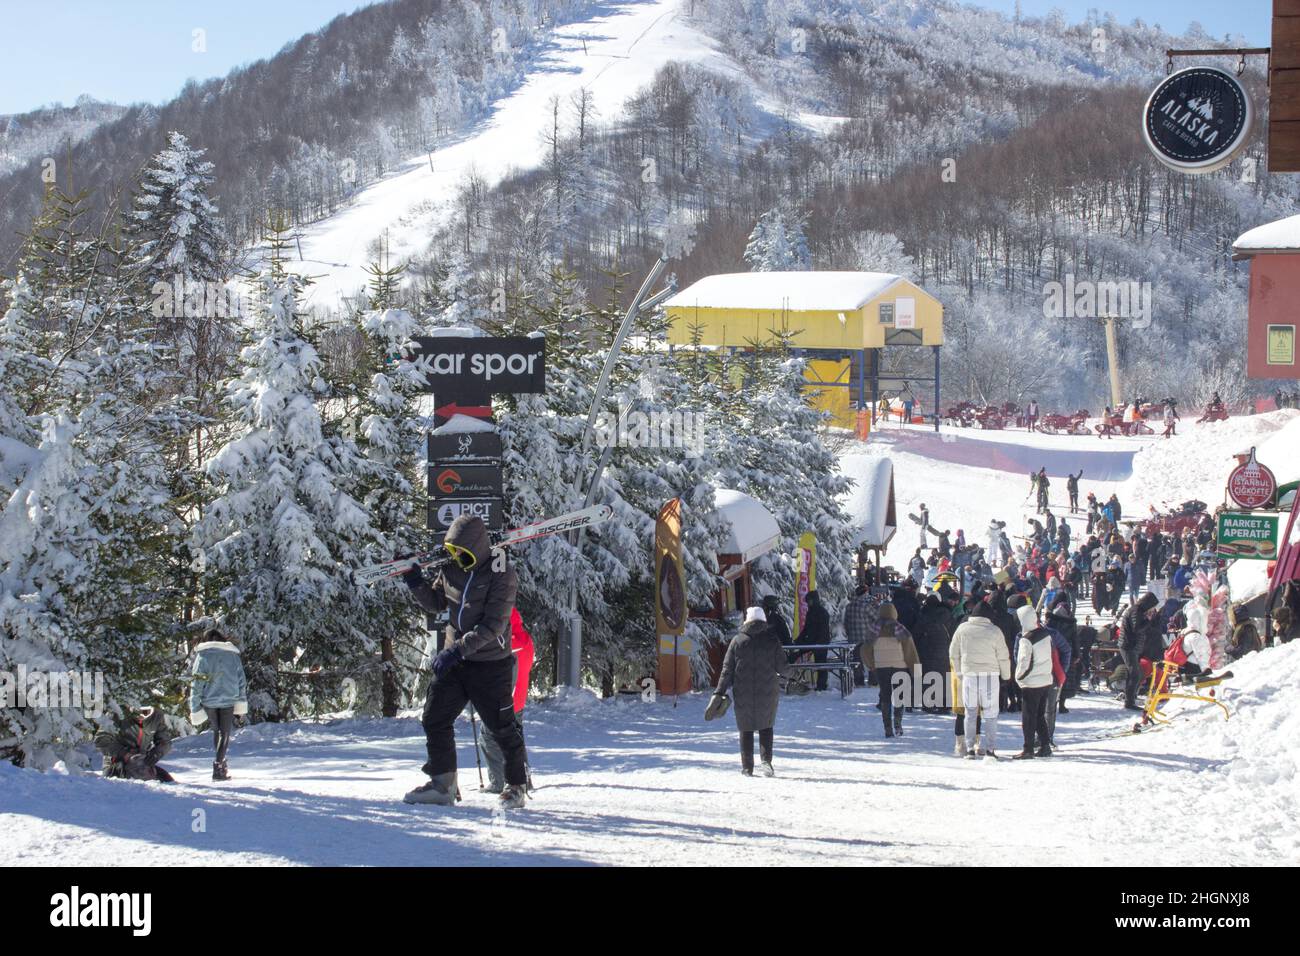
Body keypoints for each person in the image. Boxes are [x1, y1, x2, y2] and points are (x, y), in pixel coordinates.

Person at [401, 514, 528, 808]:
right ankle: (442, 784)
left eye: (462, 551)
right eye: (453, 550)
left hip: (489, 662)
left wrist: (456, 650)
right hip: (456, 661)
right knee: (435, 717)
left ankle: (516, 786)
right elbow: (436, 602)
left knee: (501, 726)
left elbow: (493, 626)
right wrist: (416, 582)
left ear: (476, 547)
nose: (456, 556)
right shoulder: (451, 569)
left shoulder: (501, 572)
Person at [710, 606, 791, 776]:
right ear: (763, 620)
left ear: (746, 620)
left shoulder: (737, 641)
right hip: (768, 691)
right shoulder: (772, 640)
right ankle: (766, 762)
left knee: (745, 728)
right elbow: (783, 668)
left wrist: (719, 692)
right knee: (766, 726)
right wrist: (794, 674)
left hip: (743, 691)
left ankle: (747, 767)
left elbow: (727, 669)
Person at [480, 607, 535, 794]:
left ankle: (498, 781)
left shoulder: (506, 642)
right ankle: (523, 779)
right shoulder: (524, 639)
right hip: (518, 698)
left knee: (488, 736)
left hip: (505, 699)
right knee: (515, 737)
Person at [949, 601, 1011, 759]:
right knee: (991, 714)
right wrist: (1006, 675)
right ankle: (990, 749)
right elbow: (1003, 656)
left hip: (969, 676)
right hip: (990, 676)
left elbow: (953, 652)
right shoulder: (995, 631)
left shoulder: (962, 629)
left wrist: (959, 672)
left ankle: (970, 748)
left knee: (970, 713)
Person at [188, 628, 249, 782]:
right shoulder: (232, 655)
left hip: (209, 700)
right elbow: (241, 680)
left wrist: (195, 706)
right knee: (225, 733)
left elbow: (196, 683)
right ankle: (219, 767)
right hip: (228, 699)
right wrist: (241, 700)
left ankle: (220, 764)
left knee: (217, 732)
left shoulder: (202, 656)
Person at [862, 603, 919, 738]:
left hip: (881, 668)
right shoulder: (901, 629)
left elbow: (865, 649)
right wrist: (915, 669)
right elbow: (910, 652)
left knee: (885, 696)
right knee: (899, 697)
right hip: (900, 667)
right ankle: (898, 724)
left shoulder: (873, 629)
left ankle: (887, 727)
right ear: (894, 613)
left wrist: (872, 665)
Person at [1012, 606, 1054, 759]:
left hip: (1031, 683)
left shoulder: (1026, 640)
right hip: (1045, 679)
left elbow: (1023, 663)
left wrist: (1018, 677)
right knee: (1039, 716)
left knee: (1028, 717)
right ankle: (1045, 745)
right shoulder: (1045, 634)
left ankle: (1028, 748)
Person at [95, 706, 175, 783]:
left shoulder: (156, 716)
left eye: (145, 712)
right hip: (117, 762)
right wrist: (126, 754)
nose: (141, 715)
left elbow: (165, 742)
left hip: (142, 763)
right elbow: (101, 739)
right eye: (137, 711)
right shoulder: (117, 712)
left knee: (168, 781)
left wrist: (153, 756)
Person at [1120, 593, 1160, 711]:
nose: (1152, 610)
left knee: (1134, 673)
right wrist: (1149, 620)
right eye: (1152, 607)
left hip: (1133, 646)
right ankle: (1129, 701)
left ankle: (1130, 697)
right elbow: (1137, 628)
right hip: (1128, 645)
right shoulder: (1135, 610)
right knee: (1135, 674)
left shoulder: (1139, 611)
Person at [794, 589, 831, 691]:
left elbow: (823, 630)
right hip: (812, 642)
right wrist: (798, 641)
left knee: (821, 663)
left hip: (821, 642)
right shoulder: (810, 612)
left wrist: (817, 643)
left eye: (809, 601)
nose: (808, 603)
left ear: (814, 600)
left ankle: (821, 685)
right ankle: (792, 678)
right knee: (796, 654)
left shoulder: (822, 612)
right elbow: (806, 629)